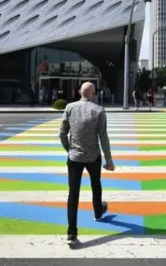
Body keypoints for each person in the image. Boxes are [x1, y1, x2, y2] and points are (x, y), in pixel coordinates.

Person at [59, 82, 115, 246]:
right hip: (93, 156)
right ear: (94, 94)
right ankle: (98, 211)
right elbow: (103, 137)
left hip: (74, 157)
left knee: (73, 193)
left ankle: (71, 233)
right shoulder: (98, 110)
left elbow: (62, 133)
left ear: (79, 92)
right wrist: (109, 159)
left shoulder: (69, 107)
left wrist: (69, 149)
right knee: (96, 184)